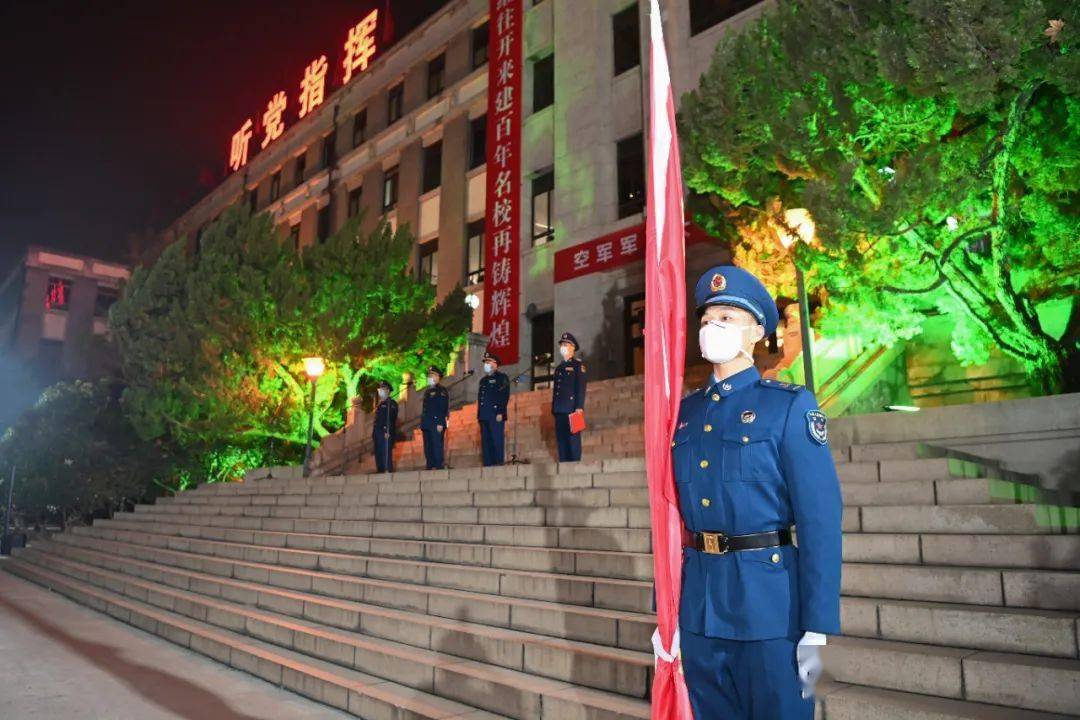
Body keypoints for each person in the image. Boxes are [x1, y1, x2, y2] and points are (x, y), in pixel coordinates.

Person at [673, 265, 842, 720]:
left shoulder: (788, 406)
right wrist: (666, 613)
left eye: (728, 318)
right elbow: (670, 519)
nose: (713, 327)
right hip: (700, 610)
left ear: (756, 332)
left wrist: (818, 626)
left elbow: (821, 519)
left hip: (770, 610)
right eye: (708, 318)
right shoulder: (684, 415)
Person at [552, 331, 587, 462]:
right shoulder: (559, 368)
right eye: (562, 344)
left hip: (574, 409)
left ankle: (575, 467)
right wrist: (554, 409)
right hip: (559, 410)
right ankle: (563, 466)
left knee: (574, 441)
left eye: (566, 344)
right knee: (561, 442)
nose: (563, 346)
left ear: (573, 348)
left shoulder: (578, 366)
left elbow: (581, 388)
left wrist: (579, 407)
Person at [476, 351, 509, 466]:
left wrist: (500, 411)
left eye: (488, 361)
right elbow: (481, 399)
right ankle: (488, 464)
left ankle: (498, 463)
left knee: (496, 440)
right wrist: (479, 415)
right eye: (485, 362)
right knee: (486, 442)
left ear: (495, 364)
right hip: (484, 415)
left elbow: (504, 395)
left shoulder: (502, 378)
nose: (486, 364)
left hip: (496, 414)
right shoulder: (483, 381)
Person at [420, 365, 449, 470]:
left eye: (432, 375)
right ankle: (430, 465)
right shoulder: (427, 391)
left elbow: (443, 407)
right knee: (428, 446)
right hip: (427, 423)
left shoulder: (441, 390)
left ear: (438, 377)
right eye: (429, 375)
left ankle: (438, 465)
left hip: (437, 422)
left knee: (437, 445)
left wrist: (441, 422)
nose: (430, 377)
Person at [372, 380, 397, 474]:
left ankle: (387, 471)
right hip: (377, 433)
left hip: (385, 432)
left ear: (388, 390)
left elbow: (391, 419)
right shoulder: (381, 404)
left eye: (382, 389)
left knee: (385, 453)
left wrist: (388, 431)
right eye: (379, 389)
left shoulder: (392, 404)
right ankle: (380, 470)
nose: (380, 391)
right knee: (378, 453)